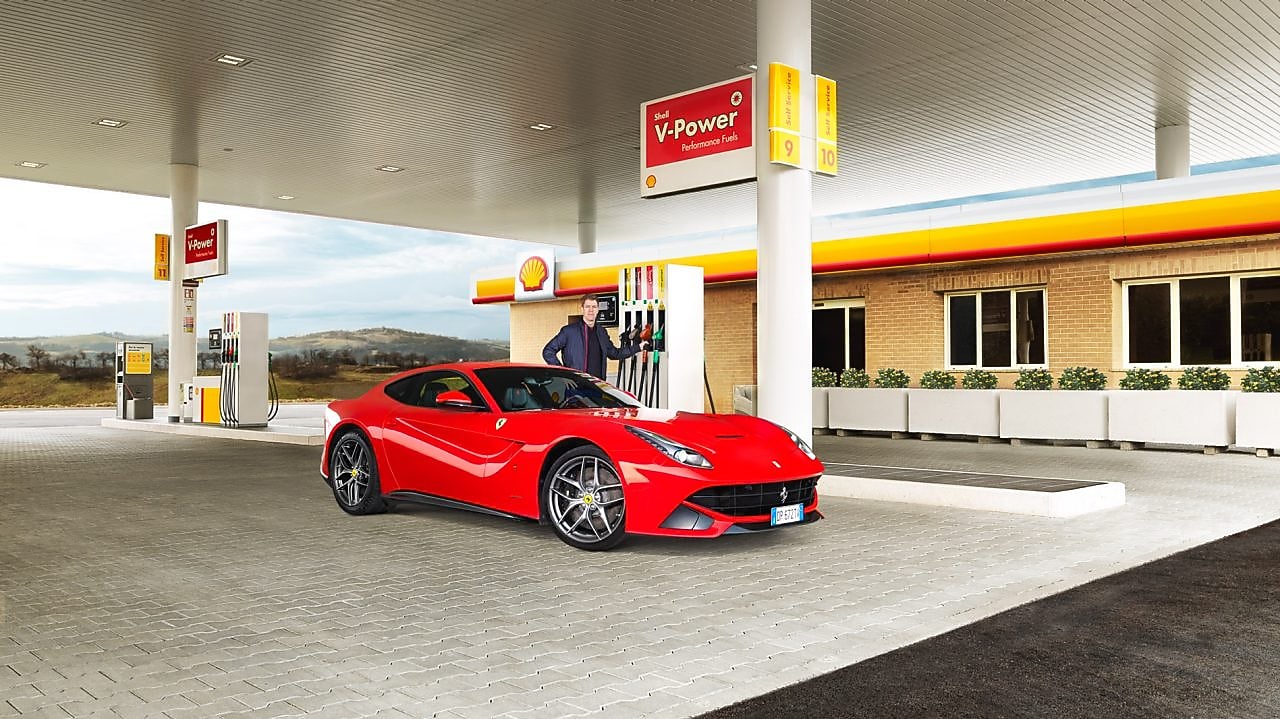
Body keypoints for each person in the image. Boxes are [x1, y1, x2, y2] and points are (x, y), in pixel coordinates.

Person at [543, 294, 646, 380]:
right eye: (587, 307)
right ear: (582, 309)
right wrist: (564, 374)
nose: (591, 310)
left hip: (598, 386)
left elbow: (615, 353)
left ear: (598, 310)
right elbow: (548, 351)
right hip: (576, 386)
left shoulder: (602, 332)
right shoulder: (569, 331)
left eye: (594, 307)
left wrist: (638, 347)